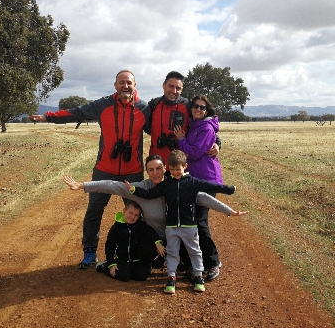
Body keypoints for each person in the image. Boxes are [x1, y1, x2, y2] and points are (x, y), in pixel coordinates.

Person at [30, 70, 149, 269]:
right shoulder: (103, 105)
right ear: (115, 85)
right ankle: (90, 252)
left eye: (129, 83)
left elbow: (162, 128)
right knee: (94, 211)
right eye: (121, 82)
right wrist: (48, 117)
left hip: (132, 170)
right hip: (104, 169)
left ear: (135, 86)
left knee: (138, 212)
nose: (125, 86)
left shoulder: (144, 108)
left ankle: (137, 251)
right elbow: (76, 112)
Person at [63, 155, 248, 264]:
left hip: (177, 234)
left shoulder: (176, 185)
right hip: (154, 238)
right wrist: (83, 185)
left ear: (165, 168)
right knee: (142, 259)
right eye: (150, 170)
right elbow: (112, 186)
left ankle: (201, 263)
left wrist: (228, 211)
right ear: (147, 171)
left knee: (190, 259)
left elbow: (202, 197)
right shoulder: (141, 188)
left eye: (158, 168)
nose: (155, 173)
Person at [124, 150, 237, 294]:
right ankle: (171, 278)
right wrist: (134, 190)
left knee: (195, 251)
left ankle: (198, 277)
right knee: (172, 253)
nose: (175, 173)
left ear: (185, 166)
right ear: (168, 169)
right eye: (172, 170)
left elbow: (211, 186)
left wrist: (229, 189)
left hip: (190, 226)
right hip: (171, 228)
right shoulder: (167, 184)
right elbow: (149, 194)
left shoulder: (192, 182)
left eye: (178, 169)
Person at [173, 95, 225, 280]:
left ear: (207, 111)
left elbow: (194, 153)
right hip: (194, 179)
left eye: (202, 107)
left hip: (206, 180)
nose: (198, 109)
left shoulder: (206, 128)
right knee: (191, 220)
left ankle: (212, 262)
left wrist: (181, 139)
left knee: (200, 221)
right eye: (195, 106)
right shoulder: (193, 125)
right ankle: (191, 261)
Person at [95, 200, 165, 282]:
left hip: (136, 260)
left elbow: (151, 232)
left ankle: (145, 265)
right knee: (123, 276)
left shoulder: (140, 225)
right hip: (122, 259)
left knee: (142, 276)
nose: (132, 217)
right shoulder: (116, 228)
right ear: (124, 211)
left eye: (136, 215)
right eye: (130, 213)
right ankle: (105, 266)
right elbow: (110, 246)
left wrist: (157, 243)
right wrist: (111, 264)